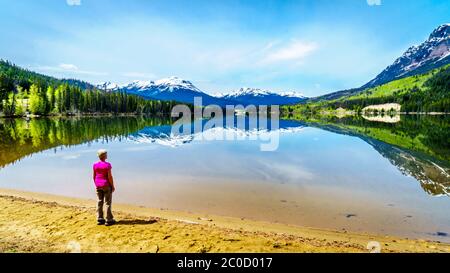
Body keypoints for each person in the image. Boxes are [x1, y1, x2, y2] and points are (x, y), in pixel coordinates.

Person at [93, 149, 116, 226]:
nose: (107, 155)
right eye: (106, 154)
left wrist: (96, 184)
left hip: (98, 184)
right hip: (106, 185)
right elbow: (110, 177)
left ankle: (100, 218)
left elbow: (94, 176)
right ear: (104, 156)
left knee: (99, 201)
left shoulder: (95, 165)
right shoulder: (108, 165)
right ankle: (109, 219)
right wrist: (112, 186)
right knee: (108, 202)